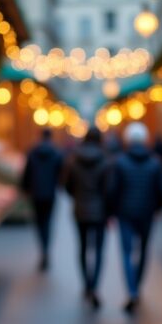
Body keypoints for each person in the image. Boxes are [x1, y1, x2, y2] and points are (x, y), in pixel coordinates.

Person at [108, 122, 162, 314]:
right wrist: (158, 208)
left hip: (125, 213)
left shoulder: (120, 162)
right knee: (143, 249)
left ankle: (132, 290)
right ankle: (137, 285)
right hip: (147, 213)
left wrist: (112, 212)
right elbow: (161, 190)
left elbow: (113, 190)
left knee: (126, 252)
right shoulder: (155, 162)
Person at [64, 126, 108, 309]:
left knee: (82, 247)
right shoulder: (105, 160)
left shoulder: (73, 160)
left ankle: (86, 284)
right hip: (100, 211)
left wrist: (78, 196)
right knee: (98, 249)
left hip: (80, 209)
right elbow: (108, 188)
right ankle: (95, 285)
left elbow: (67, 185)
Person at [21, 128, 63, 271]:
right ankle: (46, 249)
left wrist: (25, 189)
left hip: (36, 193)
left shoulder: (32, 152)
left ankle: (43, 249)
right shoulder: (56, 153)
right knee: (48, 222)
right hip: (50, 193)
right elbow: (61, 173)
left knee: (39, 222)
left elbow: (27, 172)